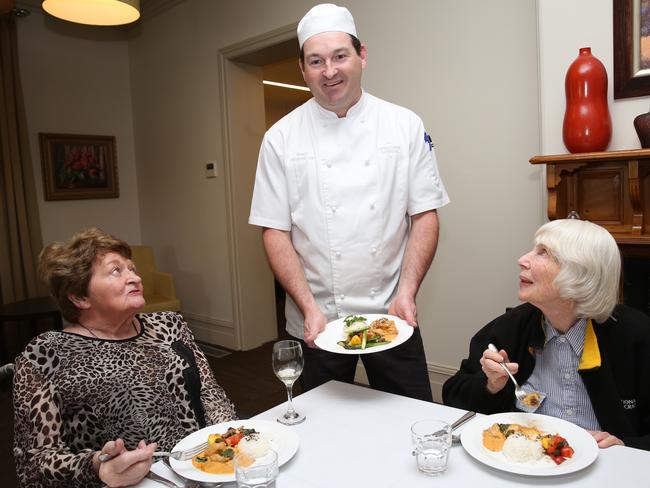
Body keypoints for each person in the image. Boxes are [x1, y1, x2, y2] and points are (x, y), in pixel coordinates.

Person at [249, 3, 449, 401]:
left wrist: (406, 292)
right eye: (316, 61)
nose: (330, 71)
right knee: (322, 428)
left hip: (392, 312)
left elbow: (424, 215)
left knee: (411, 418)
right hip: (317, 318)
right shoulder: (280, 138)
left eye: (340, 56)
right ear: (302, 69)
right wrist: (308, 308)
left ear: (362, 55)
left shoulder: (404, 125)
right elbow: (275, 231)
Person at [13, 228, 237, 487]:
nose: (135, 278)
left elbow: (209, 392)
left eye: (132, 269)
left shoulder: (169, 325)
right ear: (79, 296)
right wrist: (96, 466)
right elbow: (33, 464)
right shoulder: (45, 353)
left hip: (198, 469)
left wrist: (230, 440)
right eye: (116, 270)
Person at [443, 219, 650, 450]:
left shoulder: (635, 335)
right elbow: (453, 395)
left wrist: (626, 446)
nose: (522, 260)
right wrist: (491, 386)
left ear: (580, 273)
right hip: (525, 462)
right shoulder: (513, 327)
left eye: (543, 253)